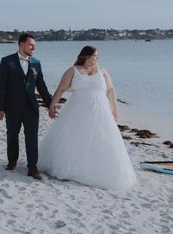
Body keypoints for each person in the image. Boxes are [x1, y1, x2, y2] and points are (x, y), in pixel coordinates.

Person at [38, 46, 137, 189]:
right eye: (95, 56)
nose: (97, 58)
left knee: (102, 139)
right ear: (85, 56)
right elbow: (61, 89)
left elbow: (110, 89)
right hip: (76, 111)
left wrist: (115, 109)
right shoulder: (73, 71)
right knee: (75, 139)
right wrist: (52, 105)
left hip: (101, 112)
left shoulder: (102, 71)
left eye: (97, 56)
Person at [0, 33, 52, 180]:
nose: (33, 47)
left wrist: (50, 104)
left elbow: (41, 86)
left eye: (34, 45)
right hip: (12, 107)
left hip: (31, 107)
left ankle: (32, 168)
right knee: (12, 135)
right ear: (21, 44)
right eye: (30, 44)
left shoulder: (36, 63)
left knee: (32, 138)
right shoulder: (7, 62)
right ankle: (12, 161)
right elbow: (1, 87)